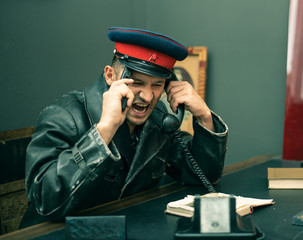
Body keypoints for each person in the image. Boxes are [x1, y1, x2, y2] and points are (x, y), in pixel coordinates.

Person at [20, 27, 228, 227]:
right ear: (110, 76)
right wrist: (104, 130)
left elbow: (202, 176)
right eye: (136, 82)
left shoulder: (158, 119)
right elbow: (44, 200)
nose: (147, 96)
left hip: (130, 229)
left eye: (157, 85)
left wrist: (203, 116)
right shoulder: (63, 116)